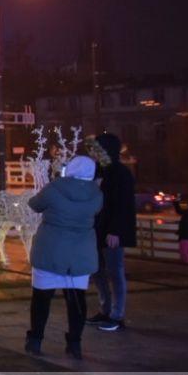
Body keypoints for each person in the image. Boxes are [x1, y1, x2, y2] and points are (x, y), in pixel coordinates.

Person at [24, 155, 102, 359]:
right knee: (76, 299)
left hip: (51, 248)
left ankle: (35, 340)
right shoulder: (96, 193)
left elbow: (34, 204)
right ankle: (74, 344)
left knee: (42, 298)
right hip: (80, 252)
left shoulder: (55, 188)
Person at [86, 133, 136, 333]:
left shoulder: (120, 173)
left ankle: (117, 315)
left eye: (97, 149)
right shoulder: (99, 171)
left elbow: (123, 205)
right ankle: (105, 309)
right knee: (97, 271)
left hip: (111, 230)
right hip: (97, 229)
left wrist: (115, 230)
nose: (94, 153)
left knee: (115, 271)